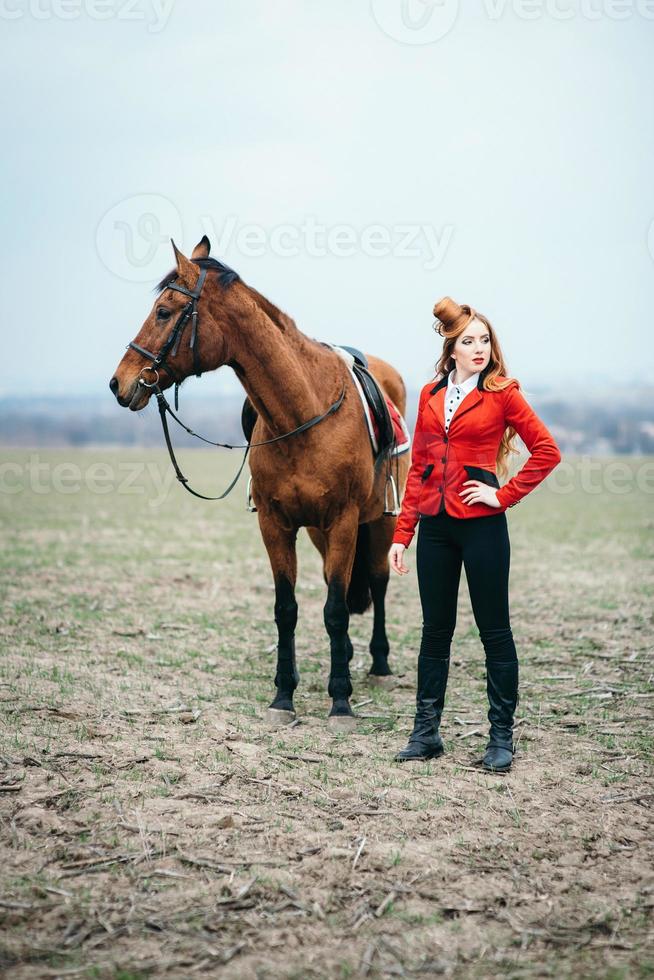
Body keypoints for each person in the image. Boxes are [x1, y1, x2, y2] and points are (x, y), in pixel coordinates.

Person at [389, 297, 562, 771]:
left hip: (484, 530)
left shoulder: (504, 393)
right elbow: (419, 468)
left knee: (495, 633)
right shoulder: (427, 396)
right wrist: (403, 535)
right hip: (436, 530)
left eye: (485, 340)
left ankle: (500, 739)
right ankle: (426, 734)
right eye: (469, 341)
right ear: (452, 348)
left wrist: (502, 497)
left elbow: (547, 451)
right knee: (435, 633)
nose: (480, 348)